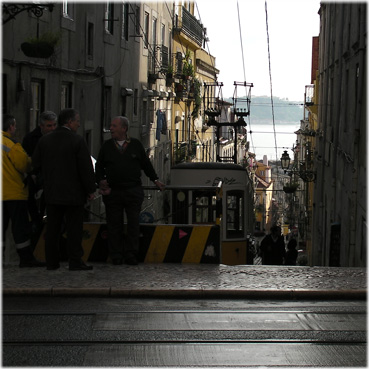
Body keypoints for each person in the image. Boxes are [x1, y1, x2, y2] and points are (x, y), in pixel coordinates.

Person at [95, 116, 165, 265]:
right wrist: (100, 180)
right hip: (113, 192)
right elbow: (99, 166)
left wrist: (155, 180)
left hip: (132, 190)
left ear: (124, 129)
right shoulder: (107, 146)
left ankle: (131, 255)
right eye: (111, 126)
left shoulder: (136, 145)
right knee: (114, 225)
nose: (111, 128)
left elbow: (146, 164)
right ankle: (116, 255)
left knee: (133, 224)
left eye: (114, 126)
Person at [32, 108, 96, 271]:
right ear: (69, 122)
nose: (79, 124)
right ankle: (75, 261)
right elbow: (85, 168)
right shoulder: (77, 141)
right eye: (76, 121)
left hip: (52, 193)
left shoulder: (45, 141)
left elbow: (35, 164)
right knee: (74, 228)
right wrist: (90, 189)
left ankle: (51, 262)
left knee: (53, 228)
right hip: (73, 194)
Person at [2, 114, 45, 267]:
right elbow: (25, 165)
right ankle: (26, 258)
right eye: (14, 126)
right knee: (20, 228)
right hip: (14, 193)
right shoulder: (11, 144)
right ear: (11, 127)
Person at [22, 111, 57, 244]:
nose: (52, 128)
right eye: (49, 126)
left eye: (54, 125)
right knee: (34, 216)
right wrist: (33, 175)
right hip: (35, 183)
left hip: (52, 182)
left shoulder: (58, 138)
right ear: (41, 126)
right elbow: (27, 161)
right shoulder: (31, 139)